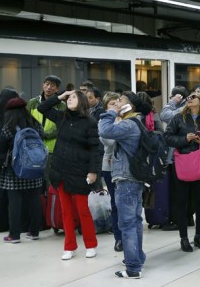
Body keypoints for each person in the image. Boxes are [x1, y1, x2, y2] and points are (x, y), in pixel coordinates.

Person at [38, 90, 101, 260]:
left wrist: (93, 171)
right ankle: (69, 246)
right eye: (69, 98)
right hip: (61, 171)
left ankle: (91, 244)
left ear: (81, 102)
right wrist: (59, 96)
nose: (69, 100)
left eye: (73, 97)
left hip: (80, 172)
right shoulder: (62, 117)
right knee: (66, 211)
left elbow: (96, 148)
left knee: (82, 210)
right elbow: (41, 107)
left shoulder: (89, 122)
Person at [98, 91, 146, 279]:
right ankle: (137, 258)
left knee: (127, 224)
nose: (117, 103)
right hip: (133, 178)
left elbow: (104, 130)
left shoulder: (128, 124)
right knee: (135, 221)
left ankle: (133, 267)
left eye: (121, 101)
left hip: (126, 179)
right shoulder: (135, 122)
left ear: (130, 106)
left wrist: (110, 113)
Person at [164, 92, 200, 252]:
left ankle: (199, 236)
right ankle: (184, 238)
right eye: (189, 97)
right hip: (181, 165)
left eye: (193, 97)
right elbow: (167, 137)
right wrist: (184, 139)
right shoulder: (178, 118)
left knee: (199, 202)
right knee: (181, 202)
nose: (190, 99)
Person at [0, 98, 45, 243]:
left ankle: (14, 235)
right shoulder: (35, 124)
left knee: (14, 202)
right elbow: (42, 139)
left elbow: (2, 149)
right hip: (34, 168)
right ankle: (34, 232)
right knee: (34, 200)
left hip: (14, 169)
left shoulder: (8, 127)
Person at [27, 75, 65, 190]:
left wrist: (46, 134)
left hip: (51, 147)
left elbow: (61, 125)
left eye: (52, 85)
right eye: (47, 84)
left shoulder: (62, 105)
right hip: (34, 146)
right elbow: (27, 119)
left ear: (57, 89)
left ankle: (51, 205)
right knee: (34, 177)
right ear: (43, 85)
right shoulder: (32, 102)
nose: (49, 87)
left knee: (49, 178)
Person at [0, 88, 20, 233]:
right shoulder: (10, 117)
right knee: (12, 192)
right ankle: (13, 222)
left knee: (1, 191)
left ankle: (1, 225)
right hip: (9, 157)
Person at [98, 92, 123, 252]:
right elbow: (109, 141)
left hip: (127, 167)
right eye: (111, 104)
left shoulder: (127, 118)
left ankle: (128, 234)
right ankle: (118, 238)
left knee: (126, 203)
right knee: (115, 203)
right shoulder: (104, 121)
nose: (115, 106)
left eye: (117, 103)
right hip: (110, 166)